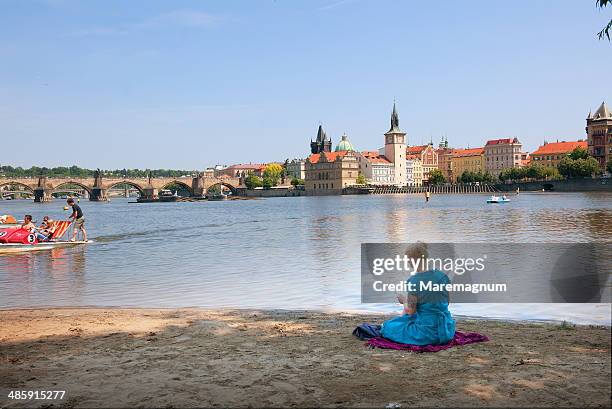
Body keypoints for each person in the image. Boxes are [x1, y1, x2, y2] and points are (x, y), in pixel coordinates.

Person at [380, 242, 456, 345]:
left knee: (388, 326)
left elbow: (410, 311)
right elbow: (447, 302)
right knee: (413, 317)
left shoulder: (413, 281)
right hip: (447, 330)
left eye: (407, 259)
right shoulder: (442, 276)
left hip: (427, 334)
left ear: (412, 260)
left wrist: (404, 301)